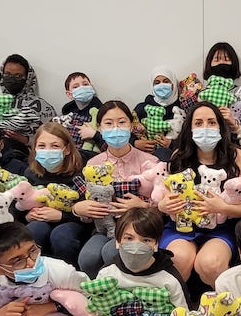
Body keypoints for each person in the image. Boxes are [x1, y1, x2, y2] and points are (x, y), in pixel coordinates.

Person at [158, 102, 241, 287]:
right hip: (181, 227)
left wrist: (222, 207)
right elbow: (164, 196)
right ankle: (179, 310)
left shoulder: (237, 156)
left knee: (210, 263)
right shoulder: (179, 155)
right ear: (190, 128)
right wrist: (163, 206)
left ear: (220, 126)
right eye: (199, 123)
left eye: (211, 122)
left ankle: (228, 307)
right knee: (178, 259)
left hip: (221, 229)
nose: (205, 127)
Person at [75, 101, 158, 276]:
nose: (116, 128)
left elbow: (163, 204)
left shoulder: (150, 162)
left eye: (122, 122)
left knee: (111, 252)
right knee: (87, 258)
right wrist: (81, 209)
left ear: (131, 125)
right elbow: (89, 203)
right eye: (109, 123)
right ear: (99, 128)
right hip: (105, 227)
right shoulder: (93, 164)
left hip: (139, 229)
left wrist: (144, 206)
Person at [20, 122, 89, 267]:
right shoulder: (30, 173)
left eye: (55, 146)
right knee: (33, 231)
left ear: (67, 149)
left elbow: (89, 211)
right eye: (42, 146)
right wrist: (27, 216)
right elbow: (18, 202)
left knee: (62, 236)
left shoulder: (82, 172)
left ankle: (69, 276)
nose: (47, 151)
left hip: (75, 221)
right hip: (41, 220)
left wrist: (62, 216)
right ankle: (35, 272)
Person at [202, 42, 241, 143]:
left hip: (234, 145)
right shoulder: (202, 95)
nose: (221, 63)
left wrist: (234, 125)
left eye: (226, 59)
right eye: (216, 59)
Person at [132, 66, 182, 161]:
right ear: (152, 86)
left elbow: (190, 137)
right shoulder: (142, 108)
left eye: (166, 81)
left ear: (173, 84)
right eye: (157, 83)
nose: (162, 85)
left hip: (174, 158)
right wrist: (135, 142)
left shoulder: (183, 109)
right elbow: (126, 128)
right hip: (143, 158)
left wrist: (172, 144)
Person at [54, 71, 105, 157]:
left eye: (85, 84)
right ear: (69, 94)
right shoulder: (67, 114)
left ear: (91, 88)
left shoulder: (103, 112)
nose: (82, 88)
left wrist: (94, 135)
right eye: (76, 87)